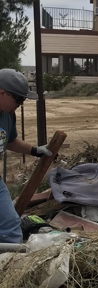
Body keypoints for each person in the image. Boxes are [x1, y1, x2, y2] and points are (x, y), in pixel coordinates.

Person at [0, 68, 52, 243]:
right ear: (2, 93)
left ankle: (10, 267)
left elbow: (10, 140)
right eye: (18, 99)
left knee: (10, 225)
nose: (20, 104)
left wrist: (35, 150)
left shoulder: (7, 115)